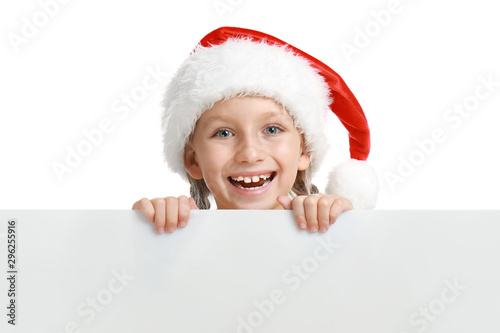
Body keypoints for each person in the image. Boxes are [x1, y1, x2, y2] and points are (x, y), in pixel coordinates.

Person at [132, 27, 378, 234]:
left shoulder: (332, 231)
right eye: (224, 133)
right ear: (192, 158)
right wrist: (146, 235)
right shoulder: (176, 235)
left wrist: (345, 228)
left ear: (305, 150)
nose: (250, 154)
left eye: (272, 129)